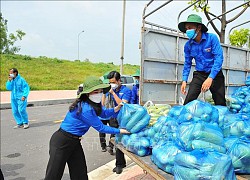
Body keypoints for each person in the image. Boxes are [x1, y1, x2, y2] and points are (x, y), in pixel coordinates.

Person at [44, 76, 130, 180]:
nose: (99, 94)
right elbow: (101, 128)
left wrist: (116, 108)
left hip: (75, 142)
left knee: (80, 173)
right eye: (95, 92)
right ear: (87, 93)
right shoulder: (86, 108)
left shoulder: (94, 104)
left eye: (100, 91)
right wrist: (120, 131)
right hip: (62, 142)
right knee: (53, 175)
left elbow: (104, 113)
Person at [178, 14, 226, 106]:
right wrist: (184, 80)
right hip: (199, 75)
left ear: (198, 27)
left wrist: (210, 78)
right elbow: (187, 63)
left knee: (220, 103)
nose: (187, 31)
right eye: (186, 29)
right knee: (188, 102)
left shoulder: (212, 38)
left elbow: (219, 58)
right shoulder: (188, 45)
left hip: (215, 74)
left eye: (190, 27)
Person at [107, 71, 132, 174]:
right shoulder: (110, 90)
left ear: (118, 80)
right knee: (114, 140)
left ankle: (119, 164)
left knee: (119, 141)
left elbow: (122, 104)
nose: (111, 84)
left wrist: (113, 93)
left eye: (113, 82)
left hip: (122, 120)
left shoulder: (126, 91)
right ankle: (120, 163)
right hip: (112, 118)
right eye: (110, 82)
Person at [98, 73, 118, 155]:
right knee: (105, 130)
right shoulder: (103, 92)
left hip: (109, 114)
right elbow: (102, 103)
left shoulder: (113, 91)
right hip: (105, 114)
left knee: (112, 130)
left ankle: (109, 145)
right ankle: (106, 146)